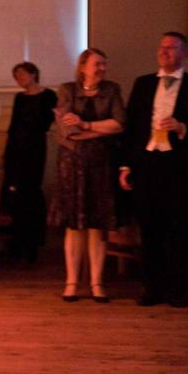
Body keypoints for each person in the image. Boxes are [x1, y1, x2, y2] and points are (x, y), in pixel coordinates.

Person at [120, 32, 188, 307]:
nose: (165, 51)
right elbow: (132, 128)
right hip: (147, 164)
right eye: (162, 47)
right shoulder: (143, 84)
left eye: (172, 47)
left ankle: (178, 290)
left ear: (184, 52)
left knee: (179, 230)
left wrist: (183, 127)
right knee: (149, 230)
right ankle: (151, 289)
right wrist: (126, 165)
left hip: (179, 168)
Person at [49, 48, 125, 303]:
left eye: (105, 64)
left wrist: (85, 125)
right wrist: (99, 130)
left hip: (101, 164)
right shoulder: (67, 90)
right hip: (72, 165)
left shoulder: (112, 89)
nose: (102, 69)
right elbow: (66, 131)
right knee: (74, 225)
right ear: (83, 67)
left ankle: (96, 283)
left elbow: (120, 125)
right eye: (97, 64)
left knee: (97, 225)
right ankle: (71, 282)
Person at [2, 62, 56, 263]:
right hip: (16, 149)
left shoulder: (48, 95)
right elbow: (13, 126)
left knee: (31, 192)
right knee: (15, 194)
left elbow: (47, 122)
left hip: (34, 149)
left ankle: (32, 243)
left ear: (34, 73)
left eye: (22, 74)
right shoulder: (19, 97)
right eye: (16, 76)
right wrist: (7, 152)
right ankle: (17, 242)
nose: (19, 79)